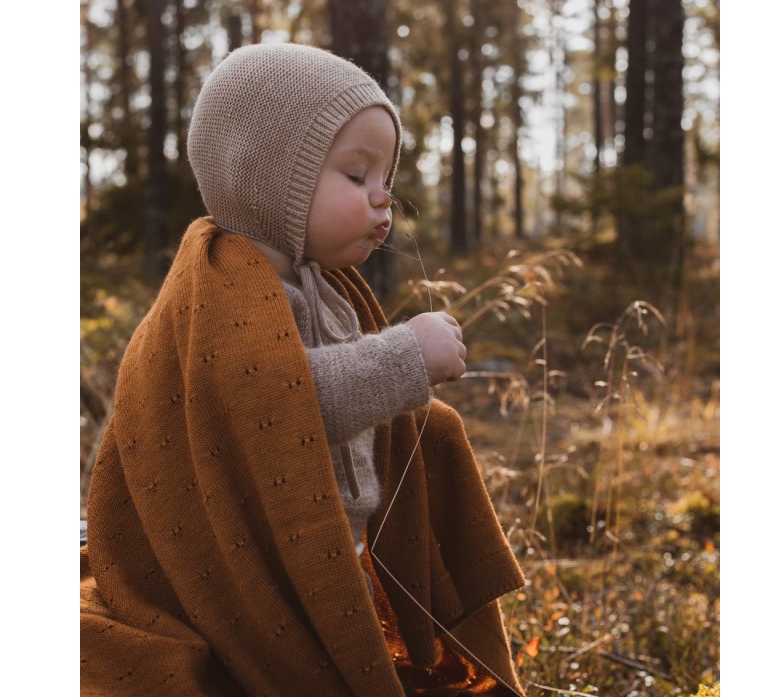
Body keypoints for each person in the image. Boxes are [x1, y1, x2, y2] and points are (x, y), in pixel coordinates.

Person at [80, 43, 526, 697]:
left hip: (313, 550)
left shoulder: (320, 287)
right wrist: (407, 357)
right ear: (263, 174)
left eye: (386, 181)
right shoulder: (223, 288)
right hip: (233, 570)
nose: (383, 199)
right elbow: (274, 405)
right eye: (356, 176)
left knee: (434, 429)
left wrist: (420, 426)